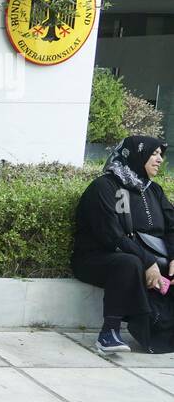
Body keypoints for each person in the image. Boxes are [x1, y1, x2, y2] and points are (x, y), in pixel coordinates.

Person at [71, 135, 174, 354]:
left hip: (145, 258)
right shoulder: (105, 187)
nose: (159, 160)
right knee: (128, 263)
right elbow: (111, 236)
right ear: (137, 155)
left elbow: (172, 226)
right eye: (153, 154)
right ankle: (108, 333)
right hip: (98, 257)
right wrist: (148, 262)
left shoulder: (153, 190)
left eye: (160, 155)